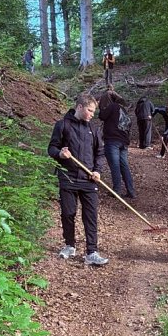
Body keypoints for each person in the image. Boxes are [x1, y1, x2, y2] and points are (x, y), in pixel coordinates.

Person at [47, 94, 109, 266]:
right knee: (68, 213)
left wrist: (97, 170)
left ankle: (92, 252)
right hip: (68, 177)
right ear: (80, 107)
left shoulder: (94, 129)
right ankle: (69, 245)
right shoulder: (62, 125)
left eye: (93, 111)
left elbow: (100, 153)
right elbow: (52, 148)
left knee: (90, 215)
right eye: (90, 110)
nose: (92, 114)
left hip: (89, 180)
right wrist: (60, 153)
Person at [98, 88, 136, 199]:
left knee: (114, 165)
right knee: (124, 166)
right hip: (123, 141)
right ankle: (131, 191)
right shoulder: (122, 109)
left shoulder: (112, 107)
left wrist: (102, 107)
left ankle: (117, 191)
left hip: (112, 140)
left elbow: (101, 116)